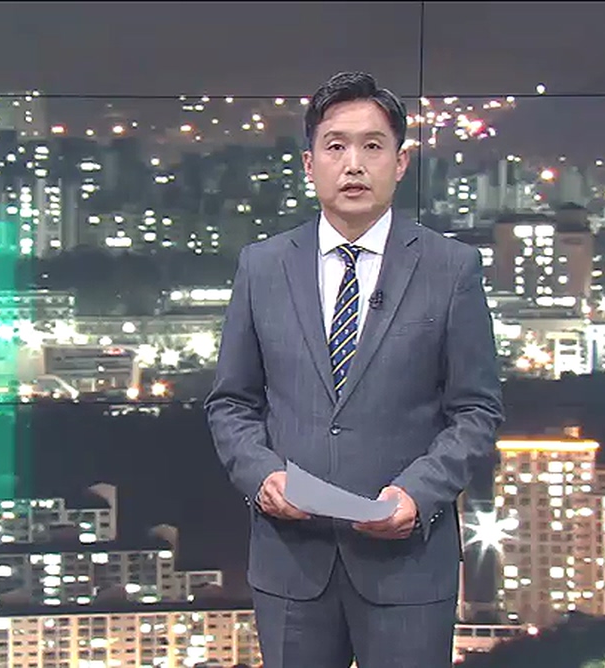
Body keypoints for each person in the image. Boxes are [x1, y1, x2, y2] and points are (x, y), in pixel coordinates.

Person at [204, 71, 504, 668]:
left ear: (401, 162)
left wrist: (418, 494)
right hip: (291, 565)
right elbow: (231, 402)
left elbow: (476, 410)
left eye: (373, 146)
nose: (354, 164)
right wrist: (262, 475)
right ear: (309, 163)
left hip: (407, 568)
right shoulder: (262, 267)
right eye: (336, 146)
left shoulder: (451, 268)